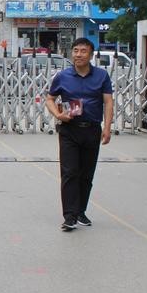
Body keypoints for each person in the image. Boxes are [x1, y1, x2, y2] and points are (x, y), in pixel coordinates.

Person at [45, 37, 113, 232]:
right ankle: (70, 216)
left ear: (91, 55)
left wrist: (107, 128)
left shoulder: (101, 76)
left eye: (83, 51)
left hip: (92, 129)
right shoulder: (62, 76)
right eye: (75, 51)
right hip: (69, 130)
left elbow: (108, 102)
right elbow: (50, 99)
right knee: (69, 172)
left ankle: (80, 210)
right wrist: (58, 114)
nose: (78, 54)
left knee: (86, 174)